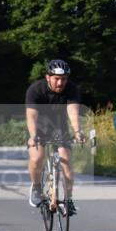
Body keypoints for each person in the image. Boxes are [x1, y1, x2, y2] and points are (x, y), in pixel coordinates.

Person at [25, 59, 84, 213]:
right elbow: (31, 116)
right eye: (56, 79)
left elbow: (73, 113)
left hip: (59, 126)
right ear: (48, 77)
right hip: (38, 126)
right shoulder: (36, 89)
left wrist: (77, 132)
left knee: (67, 164)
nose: (60, 83)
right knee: (37, 157)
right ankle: (36, 187)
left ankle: (69, 199)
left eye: (63, 79)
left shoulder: (72, 89)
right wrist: (33, 136)